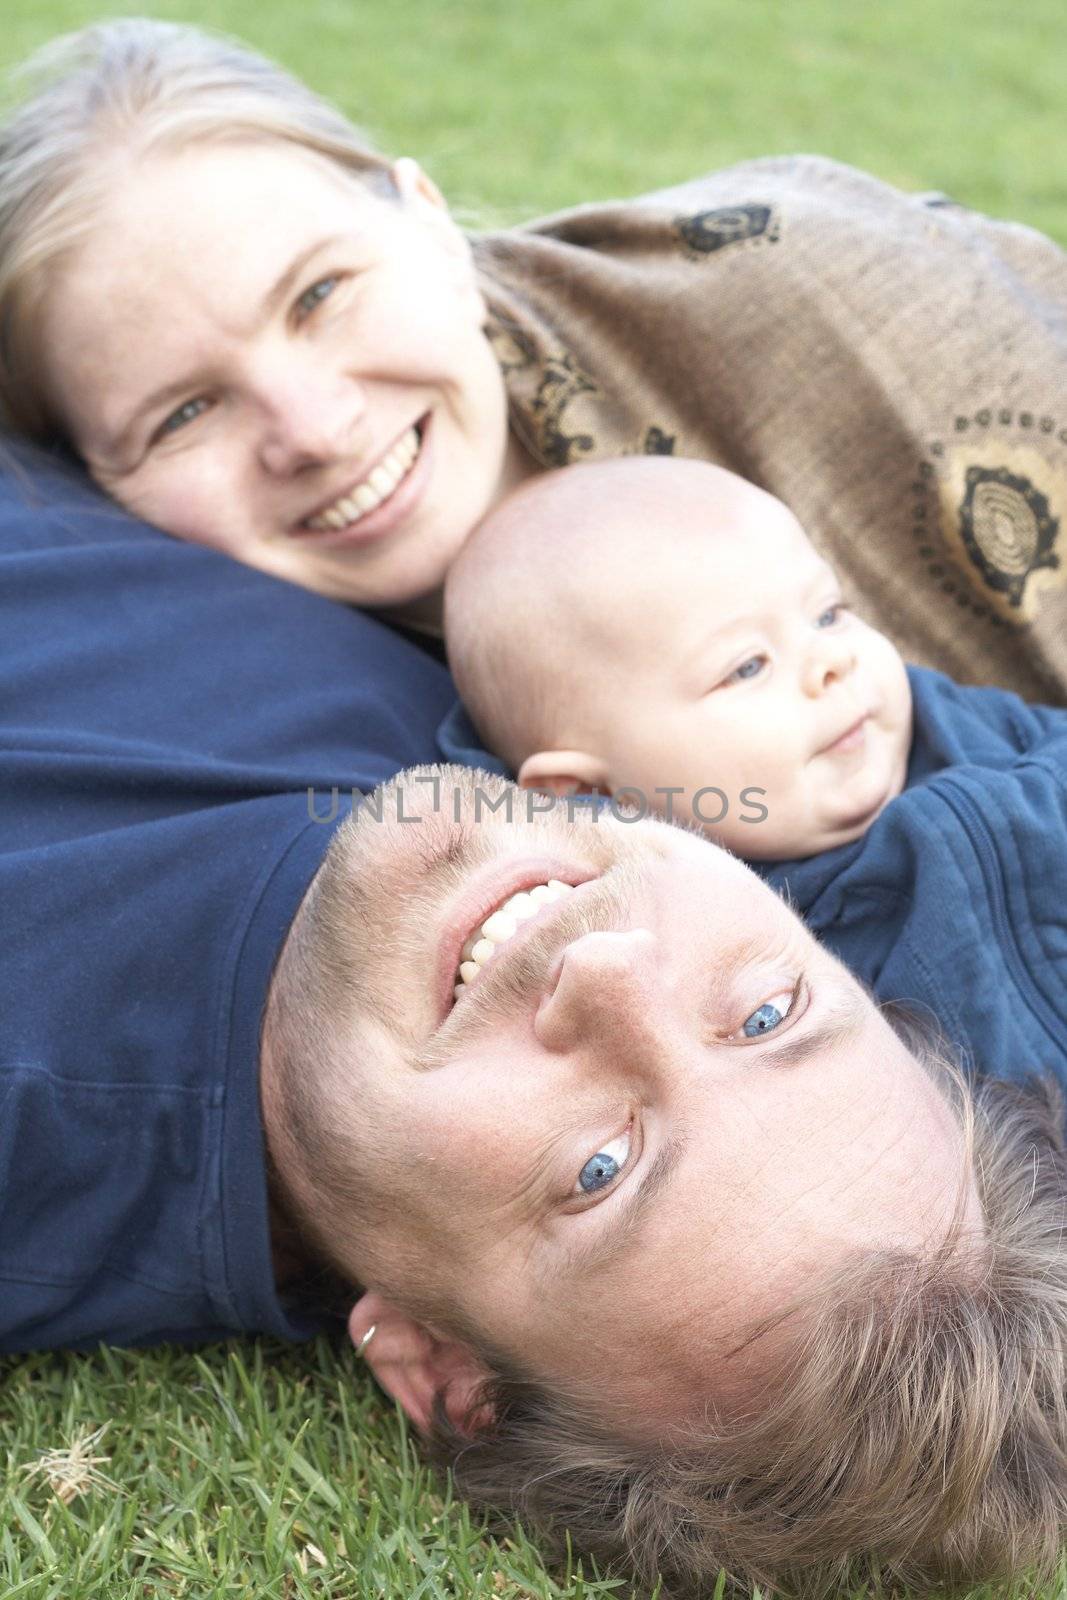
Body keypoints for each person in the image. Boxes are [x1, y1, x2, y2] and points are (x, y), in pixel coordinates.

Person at [2, 435, 1066, 1596]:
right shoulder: (528, 680)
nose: (604, 968)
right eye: (766, 1012)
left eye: (599, 1166)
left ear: (440, 1366)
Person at [0, 18, 1066, 704]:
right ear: (86, 481)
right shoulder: (203, 715)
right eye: (184, 414)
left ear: (426, 222)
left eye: (319, 294)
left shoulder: (811, 294)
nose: (314, 430)